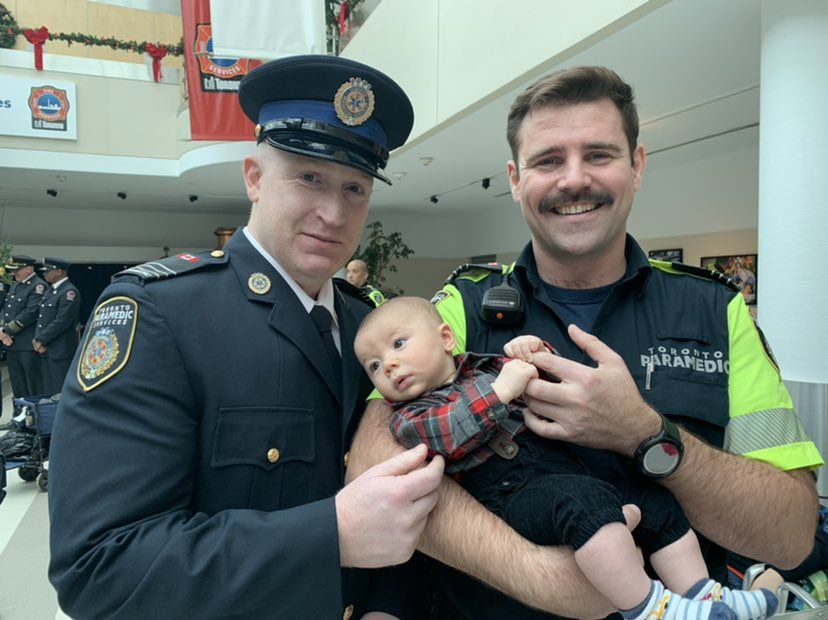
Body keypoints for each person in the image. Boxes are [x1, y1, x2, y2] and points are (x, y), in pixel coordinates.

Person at [346, 66, 823, 619]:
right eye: (548, 160)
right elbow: (374, 464)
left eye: (598, 154)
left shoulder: (718, 311)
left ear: (636, 165)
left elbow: (790, 534)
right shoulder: (460, 308)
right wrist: (546, 579)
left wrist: (647, 436)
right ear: (515, 178)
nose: (573, 179)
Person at [48, 54, 445, 619]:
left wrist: (388, 605)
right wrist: (329, 535)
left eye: (355, 188)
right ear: (254, 178)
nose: (333, 212)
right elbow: (98, 565)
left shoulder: (366, 328)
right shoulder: (161, 313)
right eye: (309, 176)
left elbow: (408, 495)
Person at [354, 296, 777, 620]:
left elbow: (550, 383)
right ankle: (648, 606)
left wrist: (533, 352)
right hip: (510, 495)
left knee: (655, 502)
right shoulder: (409, 417)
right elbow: (446, 433)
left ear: (446, 338)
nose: (389, 365)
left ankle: (701, 595)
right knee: (587, 508)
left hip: (565, 467)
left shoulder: (483, 367)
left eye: (399, 344)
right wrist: (502, 391)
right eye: (373, 365)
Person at [33, 257, 82, 395]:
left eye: (48, 271)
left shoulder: (69, 292)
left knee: (60, 390)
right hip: (46, 348)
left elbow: (62, 321)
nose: (44, 274)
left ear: (59, 271)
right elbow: (41, 318)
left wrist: (40, 339)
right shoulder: (50, 291)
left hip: (60, 350)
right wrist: (37, 338)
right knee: (49, 390)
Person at [1, 255, 46, 398]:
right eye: (12, 271)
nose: (13, 274)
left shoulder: (38, 286)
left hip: (28, 345)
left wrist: (5, 330)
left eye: (16, 270)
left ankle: (34, 417)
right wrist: (2, 329)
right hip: (12, 344)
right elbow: (7, 310)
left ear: (29, 269)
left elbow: (30, 313)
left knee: (32, 385)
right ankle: (20, 416)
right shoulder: (15, 286)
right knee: (17, 384)